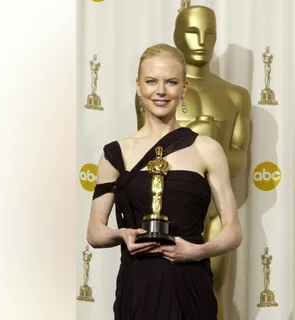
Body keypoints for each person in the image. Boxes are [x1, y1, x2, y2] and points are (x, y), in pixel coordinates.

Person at [86, 43, 243, 320]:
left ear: (183, 87)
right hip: (138, 286)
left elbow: (233, 230)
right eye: (151, 81)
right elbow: (95, 232)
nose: (161, 91)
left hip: (191, 284)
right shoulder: (114, 154)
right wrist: (122, 234)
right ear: (138, 85)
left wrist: (198, 251)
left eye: (171, 82)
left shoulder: (207, 149)